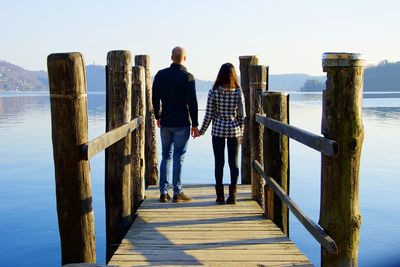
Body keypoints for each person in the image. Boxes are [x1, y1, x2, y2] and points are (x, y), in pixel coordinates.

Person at [152, 46, 200, 203]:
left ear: (171, 57)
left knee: (166, 157)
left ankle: (163, 193)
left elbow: (155, 97)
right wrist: (195, 124)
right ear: (184, 58)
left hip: (166, 122)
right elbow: (192, 102)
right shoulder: (188, 77)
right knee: (178, 157)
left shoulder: (160, 75)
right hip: (181, 123)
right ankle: (177, 193)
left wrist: (157, 115)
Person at [195, 63, 245, 204]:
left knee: (219, 163)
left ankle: (220, 196)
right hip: (234, 131)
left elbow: (209, 115)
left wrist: (201, 131)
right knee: (233, 163)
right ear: (234, 75)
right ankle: (233, 196)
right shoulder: (238, 92)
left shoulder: (213, 91)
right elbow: (242, 116)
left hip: (217, 130)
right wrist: (241, 134)